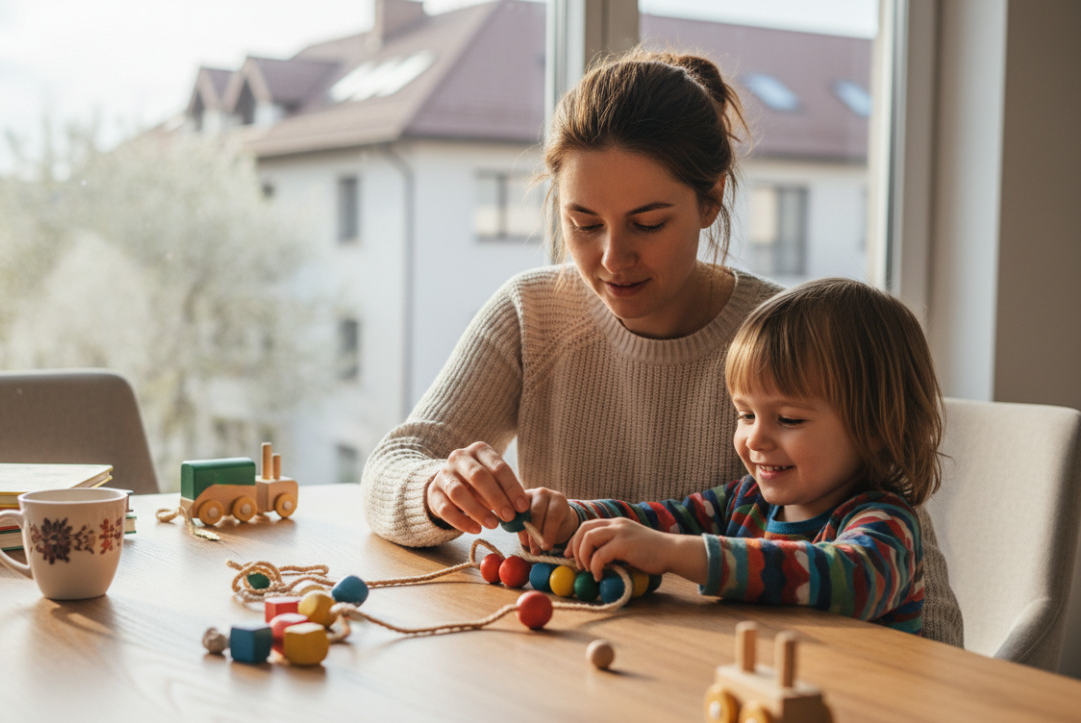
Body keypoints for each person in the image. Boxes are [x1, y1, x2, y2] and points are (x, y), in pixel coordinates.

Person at [360, 48, 963, 644]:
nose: (612, 258)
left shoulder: (786, 346)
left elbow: (925, 611)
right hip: (581, 662)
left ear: (711, 199)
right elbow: (393, 465)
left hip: (742, 677)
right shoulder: (532, 313)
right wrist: (441, 491)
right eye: (583, 224)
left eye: (647, 224)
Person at [533, 279, 938, 632]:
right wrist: (573, 519)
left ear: (876, 427)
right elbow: (657, 522)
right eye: (745, 415)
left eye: (789, 419)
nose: (755, 438)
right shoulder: (745, 502)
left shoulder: (888, 524)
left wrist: (674, 553)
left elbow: (850, 580)